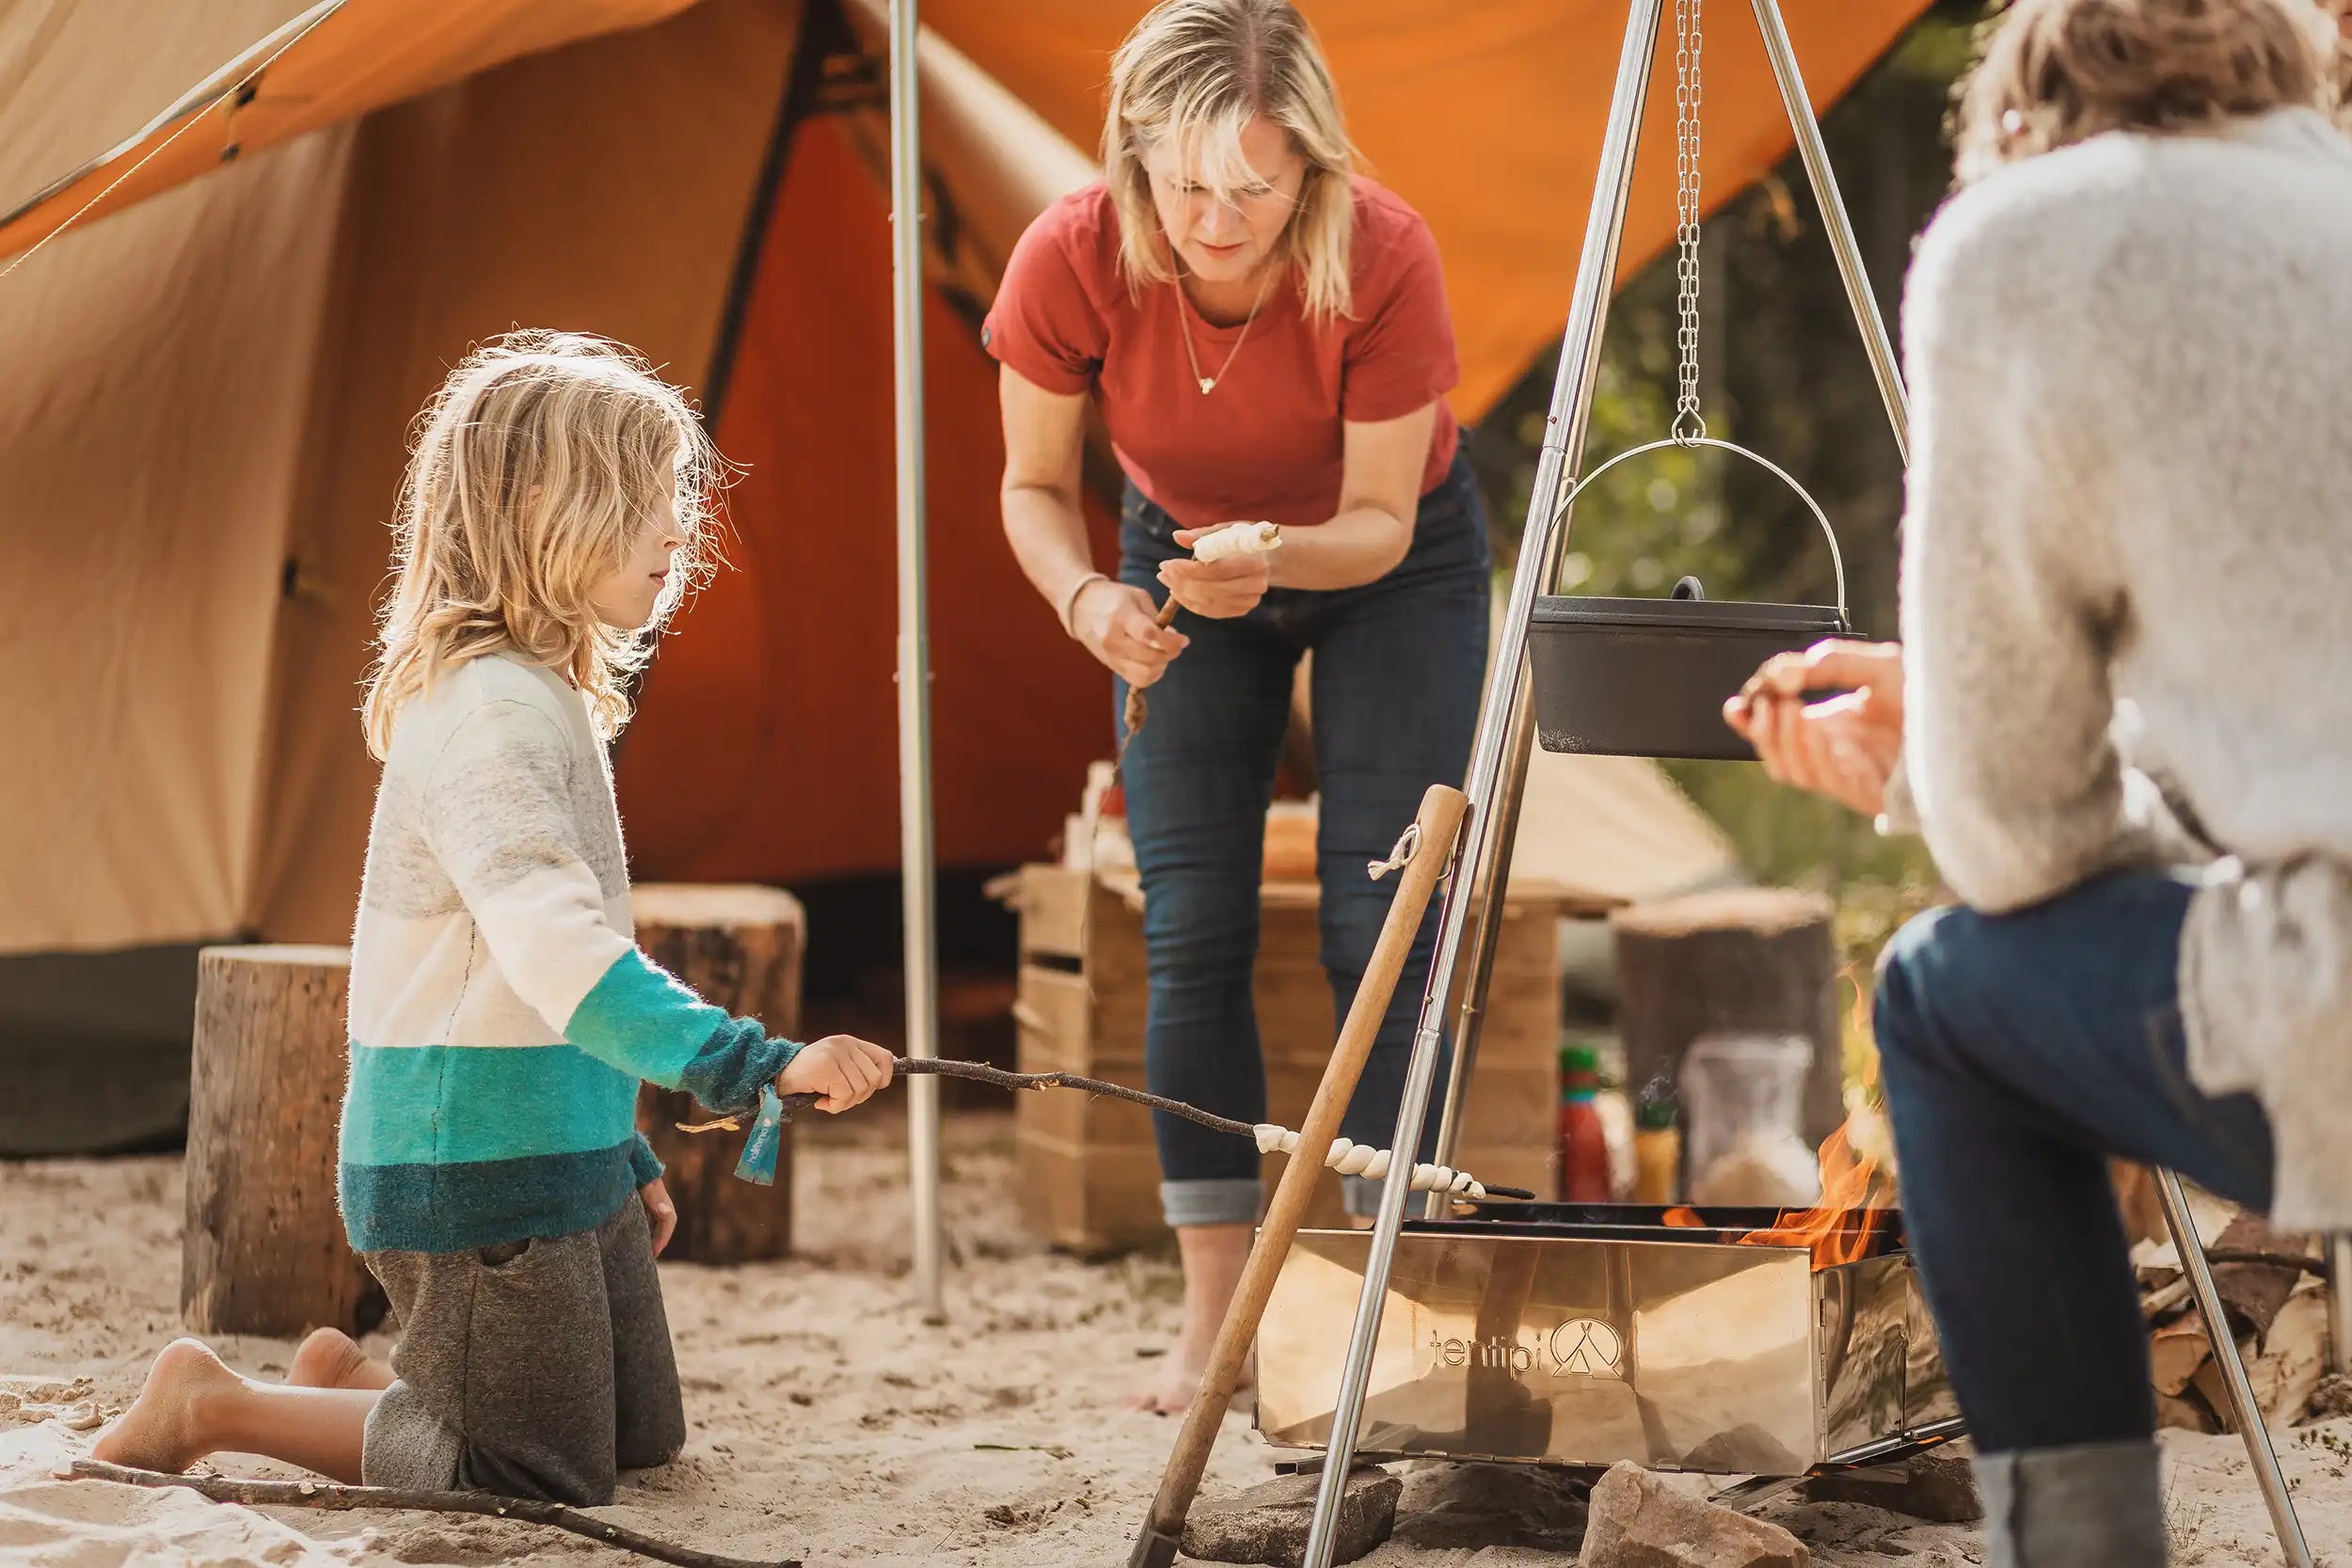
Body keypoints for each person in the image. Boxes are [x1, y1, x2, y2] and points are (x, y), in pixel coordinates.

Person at [1724, 1, 2352, 1560]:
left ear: (2023, 104)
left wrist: (1926, 769)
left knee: (1945, 995)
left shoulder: (2026, 245)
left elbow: (2019, 839)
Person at [87, 333, 898, 1502]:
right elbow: (558, 949)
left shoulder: (548, 692)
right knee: (534, 1468)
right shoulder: (488, 716)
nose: (676, 528)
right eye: (639, 498)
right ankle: (213, 1401)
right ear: (532, 508)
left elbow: (521, 991)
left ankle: (351, 1378)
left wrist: (617, 1150)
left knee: (636, 1437)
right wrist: (749, 1065)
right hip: (468, 1169)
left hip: (555, 1154)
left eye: (673, 497)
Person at [984, 0, 1489, 1411]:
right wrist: (1093, 600)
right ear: (1134, 156)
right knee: (1191, 920)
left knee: (1377, 922)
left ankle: (1393, 1303)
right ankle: (1213, 1320)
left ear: (1310, 171)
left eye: (1254, 188)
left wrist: (1275, 557)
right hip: (1173, 548)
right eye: (1186, 182)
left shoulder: (1382, 253)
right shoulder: (1071, 254)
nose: (1217, 217)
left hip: (1392, 562)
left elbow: (1383, 519)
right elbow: (1031, 484)